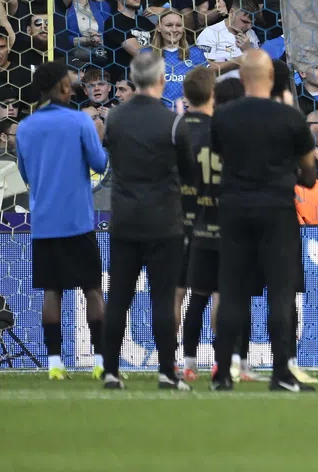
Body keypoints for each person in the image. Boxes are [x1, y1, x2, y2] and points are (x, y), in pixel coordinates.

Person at [209, 49, 315, 393]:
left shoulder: (223, 117)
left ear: (242, 79)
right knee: (280, 292)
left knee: (232, 289)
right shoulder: (290, 118)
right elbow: (310, 174)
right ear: (271, 78)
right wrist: (294, 173)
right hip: (277, 209)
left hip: (234, 207)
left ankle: (222, 374)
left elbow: (219, 156)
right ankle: (281, 373)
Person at [99, 49, 191, 390]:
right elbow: (188, 169)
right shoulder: (172, 121)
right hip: (164, 221)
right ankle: (167, 372)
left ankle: (110, 370)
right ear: (161, 80)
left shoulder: (116, 119)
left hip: (124, 219)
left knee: (119, 296)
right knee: (163, 298)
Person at [15, 61, 109, 379]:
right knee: (93, 290)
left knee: (51, 291)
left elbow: (25, 173)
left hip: (44, 222)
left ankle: (55, 364)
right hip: (78, 221)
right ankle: (100, 362)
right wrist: (99, 137)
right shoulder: (80, 122)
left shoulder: (25, 127)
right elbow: (99, 162)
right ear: (64, 87)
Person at [174, 65, 220, 381]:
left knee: (177, 293)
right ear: (212, 93)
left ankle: (177, 360)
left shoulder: (172, 128)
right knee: (215, 292)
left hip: (174, 219)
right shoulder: (219, 131)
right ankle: (222, 359)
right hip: (210, 219)